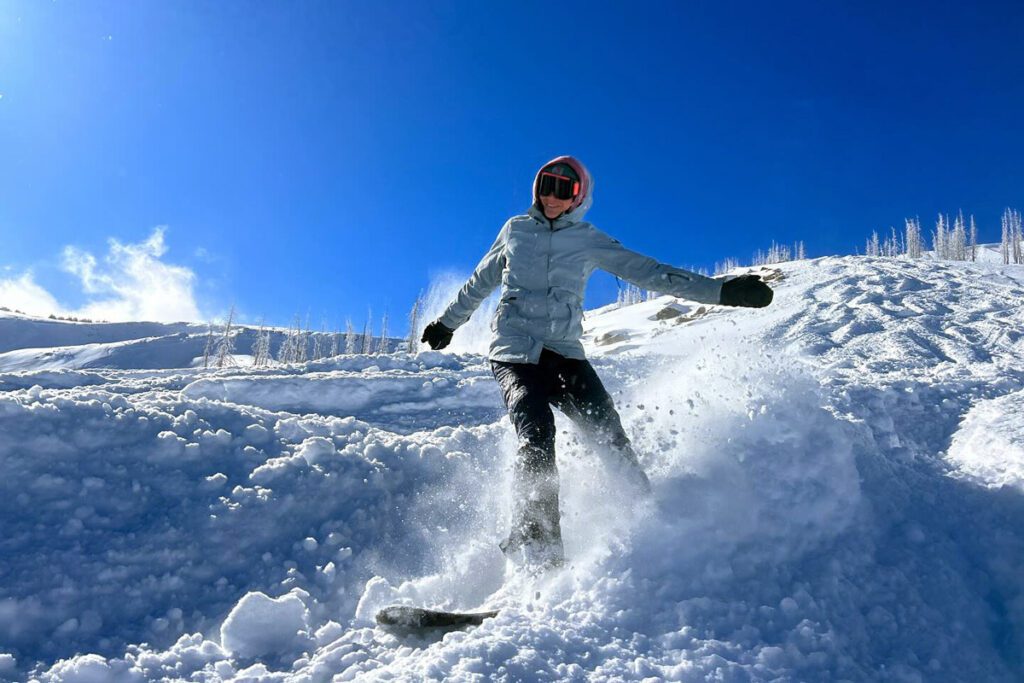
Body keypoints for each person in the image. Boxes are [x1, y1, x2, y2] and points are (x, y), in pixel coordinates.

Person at [421, 156, 772, 569]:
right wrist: (447, 323)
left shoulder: (588, 239)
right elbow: (480, 281)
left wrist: (721, 292)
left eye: (563, 190)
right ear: (536, 188)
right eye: (546, 185)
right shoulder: (515, 230)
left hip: (564, 354)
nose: (551, 197)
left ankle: (650, 523)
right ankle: (538, 546)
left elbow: (651, 272)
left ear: (578, 197)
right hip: (514, 354)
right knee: (537, 434)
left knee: (611, 436)